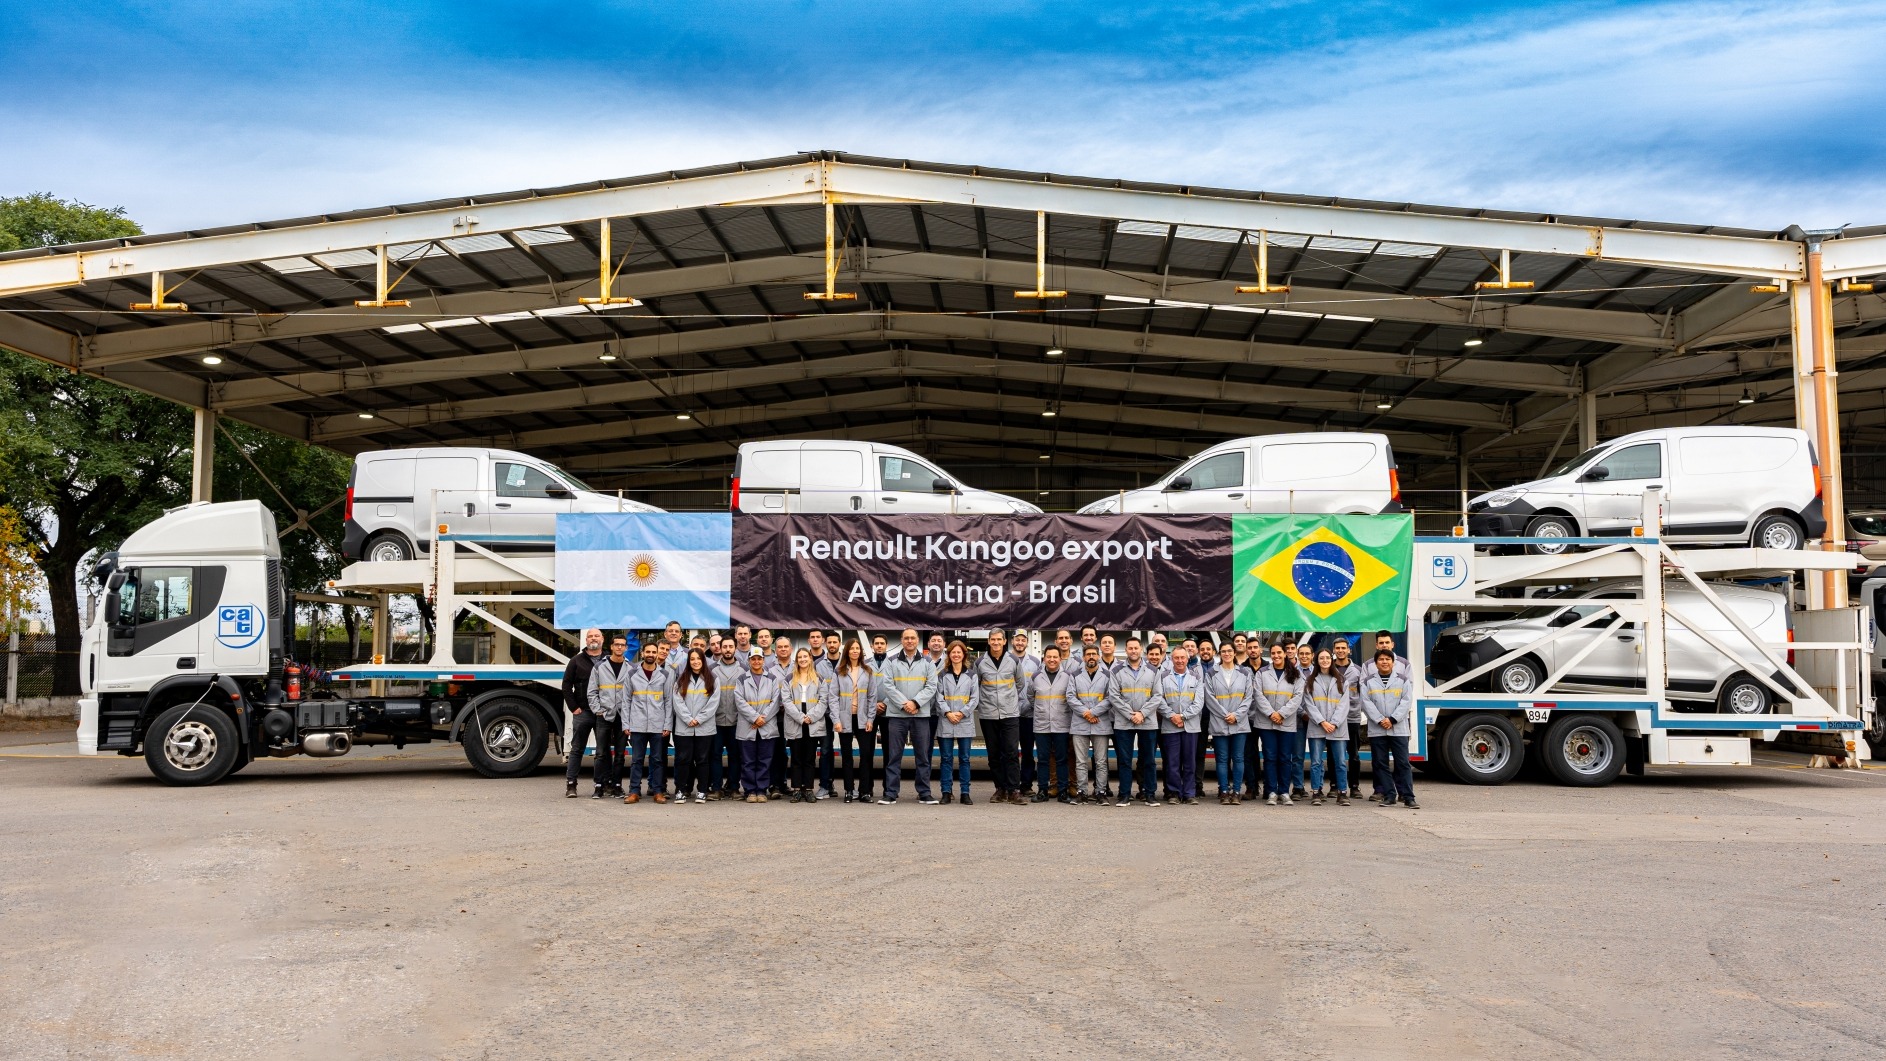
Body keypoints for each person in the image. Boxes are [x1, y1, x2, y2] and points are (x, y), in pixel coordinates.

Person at [877, 628, 940, 805]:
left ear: (917, 640)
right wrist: (905, 704)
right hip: (897, 714)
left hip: (920, 714)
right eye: (906, 638)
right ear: (902, 640)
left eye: (913, 638)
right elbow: (888, 686)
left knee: (922, 756)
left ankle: (924, 793)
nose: (910, 641)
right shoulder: (891, 661)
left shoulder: (928, 661)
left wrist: (915, 703)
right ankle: (891, 793)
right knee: (894, 756)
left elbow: (931, 686)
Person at [1109, 637, 1164, 806]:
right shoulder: (1116, 671)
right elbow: (1113, 696)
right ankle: (1125, 794)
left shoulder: (1153, 670)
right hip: (1124, 721)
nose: (1133, 651)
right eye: (1130, 648)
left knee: (1148, 759)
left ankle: (1150, 794)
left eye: (1136, 648)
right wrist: (1130, 714)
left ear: (1141, 650)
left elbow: (1157, 695)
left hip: (1147, 721)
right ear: (1125, 650)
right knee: (1124, 760)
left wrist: (1142, 713)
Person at [1361, 649, 1418, 809]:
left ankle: (1408, 797)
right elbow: (1365, 703)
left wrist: (1392, 719)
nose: (1384, 662)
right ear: (1376, 663)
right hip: (1377, 729)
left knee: (1403, 763)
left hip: (1398, 728)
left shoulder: (1403, 680)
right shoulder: (1368, 681)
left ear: (1393, 662)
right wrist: (1380, 720)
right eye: (1381, 659)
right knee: (1380, 763)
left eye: (1387, 659)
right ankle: (1389, 795)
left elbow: (1406, 701)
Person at [975, 628, 1024, 805]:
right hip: (988, 715)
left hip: (1010, 713)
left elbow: (1020, 684)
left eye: (999, 640)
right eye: (992, 640)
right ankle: (1000, 789)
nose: (996, 643)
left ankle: (1014, 790)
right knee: (994, 754)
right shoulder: (980, 662)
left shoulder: (1014, 660)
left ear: (1005, 642)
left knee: (1011, 752)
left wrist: (1008, 699)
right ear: (988, 641)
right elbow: (976, 686)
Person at [584, 635, 633, 800]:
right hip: (604, 715)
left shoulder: (631, 668)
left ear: (626, 648)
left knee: (620, 754)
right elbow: (592, 691)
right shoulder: (600, 667)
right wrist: (598, 710)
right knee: (601, 753)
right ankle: (599, 786)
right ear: (611, 647)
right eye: (617, 645)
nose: (619, 648)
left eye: (622, 645)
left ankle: (616, 786)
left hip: (622, 716)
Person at [623, 643, 672, 805]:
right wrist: (626, 724)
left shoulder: (664, 674)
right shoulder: (631, 674)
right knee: (637, 759)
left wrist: (667, 725)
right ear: (642, 653)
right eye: (648, 651)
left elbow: (668, 701)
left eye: (654, 652)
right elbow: (626, 701)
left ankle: (658, 791)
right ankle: (634, 791)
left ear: (658, 654)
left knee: (657, 759)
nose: (651, 654)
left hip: (658, 724)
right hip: (637, 723)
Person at [1254, 642, 1302, 805]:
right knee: (1270, 757)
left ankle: (1284, 791)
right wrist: (1271, 713)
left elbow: (1297, 697)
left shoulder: (1295, 674)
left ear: (1285, 653)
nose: (1276, 656)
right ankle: (1271, 791)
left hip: (1286, 723)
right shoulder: (1262, 673)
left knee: (1285, 758)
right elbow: (1258, 695)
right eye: (1273, 653)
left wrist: (1281, 714)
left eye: (1279, 652)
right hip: (1266, 723)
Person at [781, 648, 831, 803]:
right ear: (796, 660)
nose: (802, 659)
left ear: (810, 658)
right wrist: (800, 717)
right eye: (799, 657)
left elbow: (823, 701)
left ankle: (808, 789)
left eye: (805, 656)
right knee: (796, 758)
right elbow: (786, 701)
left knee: (810, 758)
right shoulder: (789, 678)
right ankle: (796, 789)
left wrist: (811, 717)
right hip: (796, 721)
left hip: (812, 722)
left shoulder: (819, 678)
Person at [1206, 641, 1252, 804]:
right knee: (1222, 759)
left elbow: (1248, 697)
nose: (1227, 654)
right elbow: (1209, 698)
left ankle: (1237, 792)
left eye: (1229, 651)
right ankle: (1224, 791)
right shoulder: (1211, 673)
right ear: (1219, 654)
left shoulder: (1245, 672)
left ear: (1234, 652)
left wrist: (1237, 715)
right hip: (1220, 721)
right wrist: (1226, 715)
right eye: (1223, 651)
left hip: (1239, 723)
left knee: (1238, 758)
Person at [562, 628, 606, 799]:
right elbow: (566, 685)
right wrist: (574, 707)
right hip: (583, 712)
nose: (593, 638)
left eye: (597, 635)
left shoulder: (608, 660)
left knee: (602, 751)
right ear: (586, 640)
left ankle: (600, 785)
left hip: (603, 713)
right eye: (590, 636)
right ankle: (571, 785)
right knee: (577, 749)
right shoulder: (576, 661)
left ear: (602, 639)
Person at [1303, 649, 1351, 806]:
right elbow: (1309, 705)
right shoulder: (1309, 680)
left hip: (1337, 727)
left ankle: (1342, 792)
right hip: (1318, 727)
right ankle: (1316, 792)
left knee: (1341, 762)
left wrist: (1334, 723)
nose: (1324, 660)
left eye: (1327, 658)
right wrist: (1322, 722)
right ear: (1316, 661)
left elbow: (1344, 705)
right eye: (1321, 658)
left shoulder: (1342, 680)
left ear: (1332, 659)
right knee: (1316, 762)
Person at [832, 638, 876, 803]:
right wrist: (836, 719)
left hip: (863, 718)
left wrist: (871, 718)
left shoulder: (868, 671)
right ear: (847, 651)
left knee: (865, 755)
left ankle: (864, 791)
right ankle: (849, 791)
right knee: (847, 756)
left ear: (861, 651)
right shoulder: (839, 671)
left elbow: (872, 697)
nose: (855, 651)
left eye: (858, 648)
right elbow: (833, 697)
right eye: (852, 648)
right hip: (845, 717)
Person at [1158, 646, 1204, 805]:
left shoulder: (1196, 677)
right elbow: (1159, 699)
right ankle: (1174, 793)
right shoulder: (1162, 676)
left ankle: (1189, 793)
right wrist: (1172, 716)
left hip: (1190, 725)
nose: (1179, 661)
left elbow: (1199, 703)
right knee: (1172, 762)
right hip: (1170, 725)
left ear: (1187, 658)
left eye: (1182, 658)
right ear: (1172, 659)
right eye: (1176, 658)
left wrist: (1183, 716)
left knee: (1190, 762)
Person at [936, 640, 980, 805]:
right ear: (949, 655)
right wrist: (948, 712)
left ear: (964, 655)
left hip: (964, 720)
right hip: (947, 719)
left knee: (965, 759)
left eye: (959, 652)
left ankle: (965, 792)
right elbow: (938, 696)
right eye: (953, 652)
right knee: (946, 758)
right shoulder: (942, 674)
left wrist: (962, 713)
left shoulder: (971, 674)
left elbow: (975, 697)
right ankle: (946, 792)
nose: (956, 655)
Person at [1068, 644, 1113, 805]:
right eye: (1088, 654)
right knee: (1081, 761)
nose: (1091, 657)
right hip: (1080, 723)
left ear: (1099, 656)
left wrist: (1093, 712)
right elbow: (1070, 697)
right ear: (1084, 657)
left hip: (1100, 722)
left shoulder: (1108, 675)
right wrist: (1086, 713)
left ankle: (1101, 792)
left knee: (1101, 761)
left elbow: (1110, 698)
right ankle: (1082, 792)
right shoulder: (1074, 675)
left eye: (1094, 654)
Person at [671, 648, 717, 803]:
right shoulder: (681, 680)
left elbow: (713, 703)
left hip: (705, 727)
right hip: (684, 727)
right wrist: (688, 718)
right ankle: (680, 790)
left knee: (703, 759)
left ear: (703, 660)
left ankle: (702, 791)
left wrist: (699, 719)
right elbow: (677, 702)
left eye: (698, 658)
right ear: (688, 662)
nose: (695, 661)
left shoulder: (713, 679)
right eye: (692, 659)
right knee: (683, 759)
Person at [735, 651, 781, 802]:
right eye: (753, 659)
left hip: (766, 726)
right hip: (748, 725)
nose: (756, 662)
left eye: (759, 659)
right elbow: (739, 701)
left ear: (763, 660)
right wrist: (755, 718)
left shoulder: (772, 679)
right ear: (749, 661)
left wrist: (763, 719)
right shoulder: (741, 679)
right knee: (748, 761)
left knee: (764, 760)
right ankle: (750, 791)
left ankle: (761, 790)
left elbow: (775, 701)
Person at [1030, 645, 1072, 803]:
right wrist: (1041, 710)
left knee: (1062, 759)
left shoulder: (1068, 676)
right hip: (1041, 724)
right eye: (1049, 657)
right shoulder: (1035, 676)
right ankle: (1042, 790)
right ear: (1044, 658)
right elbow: (1030, 696)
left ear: (1060, 659)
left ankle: (1063, 791)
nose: (1052, 660)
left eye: (1055, 657)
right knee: (1042, 759)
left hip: (1062, 723)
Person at [710, 639, 746, 799]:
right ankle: (716, 788)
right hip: (715, 721)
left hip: (736, 721)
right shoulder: (711, 670)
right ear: (720, 648)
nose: (727, 649)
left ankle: (734, 788)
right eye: (724, 646)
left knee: (735, 756)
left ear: (735, 648)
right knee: (715, 755)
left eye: (731, 646)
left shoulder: (744, 670)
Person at [1331, 637, 1366, 801]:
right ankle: (1334, 786)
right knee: (1333, 754)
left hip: (1352, 717)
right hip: (1333, 718)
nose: (1340, 651)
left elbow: (1363, 694)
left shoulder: (1358, 670)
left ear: (1349, 650)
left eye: (1343, 648)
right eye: (1337, 648)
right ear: (1333, 650)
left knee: (1353, 754)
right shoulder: (1327, 668)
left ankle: (1354, 786)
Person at [1011, 631, 1040, 798]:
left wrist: (1033, 705)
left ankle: (1026, 785)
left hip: (1029, 714)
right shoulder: (1006, 660)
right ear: (1012, 641)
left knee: (1028, 752)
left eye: (1023, 640)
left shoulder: (1035, 662)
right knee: (1010, 751)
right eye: (1017, 639)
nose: (1020, 642)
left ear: (1027, 643)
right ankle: (1012, 784)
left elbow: (1038, 686)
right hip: (1010, 713)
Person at [766, 637, 794, 795]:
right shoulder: (768, 668)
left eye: (786, 647)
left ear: (791, 649)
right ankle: (773, 785)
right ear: (775, 650)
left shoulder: (798, 666)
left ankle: (783, 783)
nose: (783, 649)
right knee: (775, 751)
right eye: (780, 647)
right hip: (774, 716)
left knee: (787, 753)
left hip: (793, 716)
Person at [1291, 641, 1317, 799]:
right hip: (1298, 719)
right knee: (1298, 756)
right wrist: (1302, 713)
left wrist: (1314, 715)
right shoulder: (1292, 672)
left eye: (1307, 653)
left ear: (1312, 655)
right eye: (1301, 654)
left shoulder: (1319, 672)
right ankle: (1298, 787)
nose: (1304, 656)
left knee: (1316, 756)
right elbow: (1292, 697)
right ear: (1297, 655)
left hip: (1316, 720)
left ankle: (1317, 788)